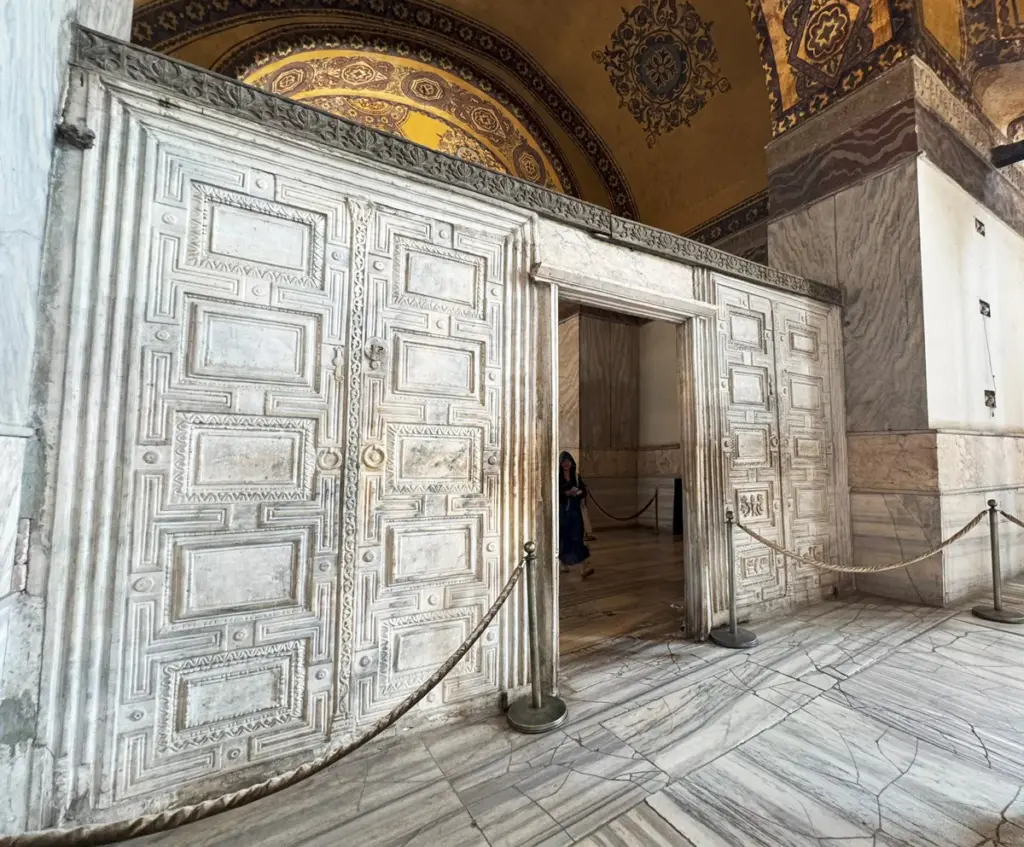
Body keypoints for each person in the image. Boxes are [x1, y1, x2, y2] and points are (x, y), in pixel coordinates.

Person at [558, 451, 594, 579]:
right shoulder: (558, 478)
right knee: (564, 538)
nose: (566, 464)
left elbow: (584, 490)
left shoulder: (576, 477)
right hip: (563, 512)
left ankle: (584, 565)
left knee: (577, 537)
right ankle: (562, 562)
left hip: (575, 511)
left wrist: (579, 492)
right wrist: (566, 493)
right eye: (564, 462)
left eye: (568, 461)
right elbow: (557, 493)